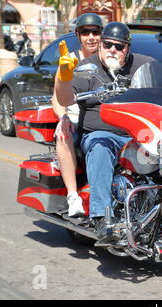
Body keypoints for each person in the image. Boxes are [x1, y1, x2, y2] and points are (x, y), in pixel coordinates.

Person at [53, 22, 154, 237]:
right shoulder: (85, 68)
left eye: (119, 46)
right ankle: (101, 217)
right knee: (100, 145)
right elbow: (64, 98)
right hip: (101, 134)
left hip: (138, 135)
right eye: (108, 45)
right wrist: (64, 76)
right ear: (101, 45)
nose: (113, 50)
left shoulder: (143, 65)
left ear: (128, 48)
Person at [51, 13, 103, 218]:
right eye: (86, 32)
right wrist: (62, 118)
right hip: (75, 120)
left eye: (96, 32)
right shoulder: (69, 60)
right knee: (63, 134)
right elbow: (56, 97)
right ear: (78, 35)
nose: (91, 37)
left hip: (105, 118)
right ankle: (73, 197)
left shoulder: (108, 57)